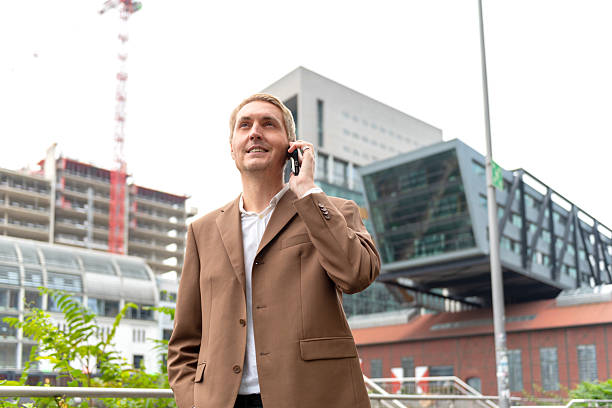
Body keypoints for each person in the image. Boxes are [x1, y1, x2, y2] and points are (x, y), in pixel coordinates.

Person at [167, 93, 380, 408]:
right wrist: (194, 401)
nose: (255, 132)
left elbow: (357, 274)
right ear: (232, 147)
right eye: (245, 125)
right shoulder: (203, 232)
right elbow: (184, 342)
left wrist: (307, 191)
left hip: (312, 397)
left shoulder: (331, 210)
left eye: (268, 124)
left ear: (291, 146)